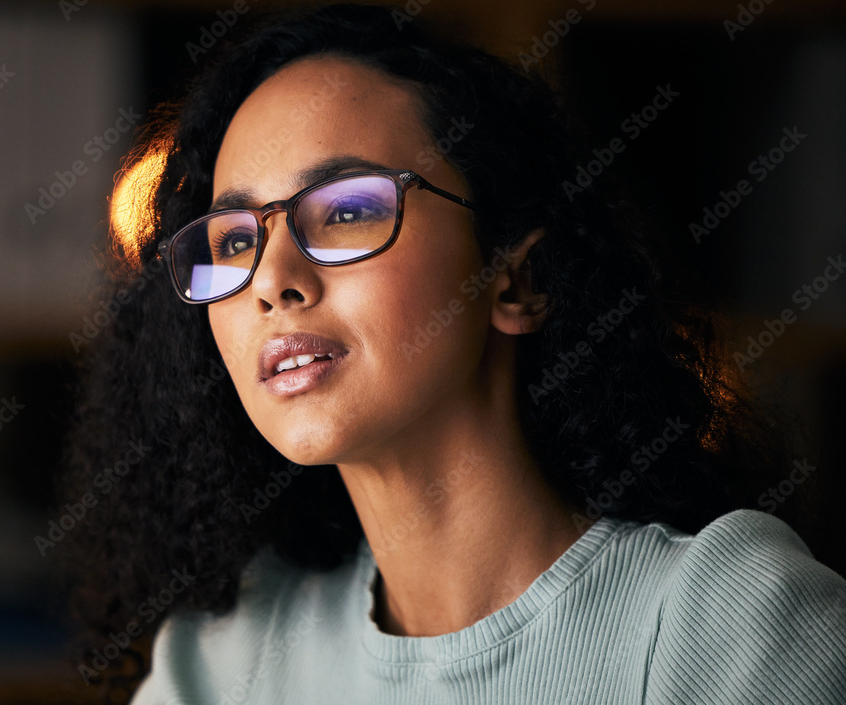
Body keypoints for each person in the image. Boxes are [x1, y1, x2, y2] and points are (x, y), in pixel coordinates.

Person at [60, 4, 846, 704]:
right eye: (234, 239)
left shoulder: (724, 622)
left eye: (347, 210)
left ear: (519, 279)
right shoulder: (221, 663)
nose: (272, 281)